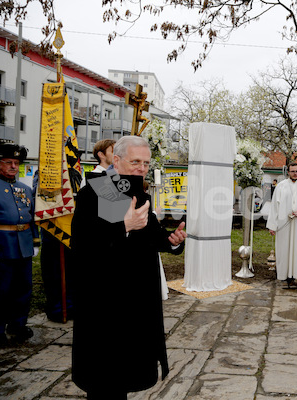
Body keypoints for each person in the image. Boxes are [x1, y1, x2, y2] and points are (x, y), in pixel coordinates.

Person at [71, 136, 187, 399]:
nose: (141, 168)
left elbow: (153, 235)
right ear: (116, 160)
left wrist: (172, 241)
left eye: (146, 163)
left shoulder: (137, 193)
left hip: (134, 302)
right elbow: (83, 243)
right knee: (104, 378)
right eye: (135, 161)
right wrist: (123, 226)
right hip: (104, 302)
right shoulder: (96, 191)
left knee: (124, 375)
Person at [0, 141, 39, 348]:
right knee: (0, 291)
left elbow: (30, 217)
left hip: (23, 245)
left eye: (17, 163)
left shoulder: (24, 188)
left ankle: (17, 325)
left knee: (23, 288)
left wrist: (34, 241)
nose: (14, 166)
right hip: (1, 246)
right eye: (9, 162)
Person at [266, 162, 297, 288]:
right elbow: (274, 207)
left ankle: (294, 276)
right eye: (292, 171)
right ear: (288, 172)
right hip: (284, 224)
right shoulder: (281, 186)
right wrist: (272, 225)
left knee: (296, 250)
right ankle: (283, 276)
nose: (295, 173)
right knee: (283, 250)